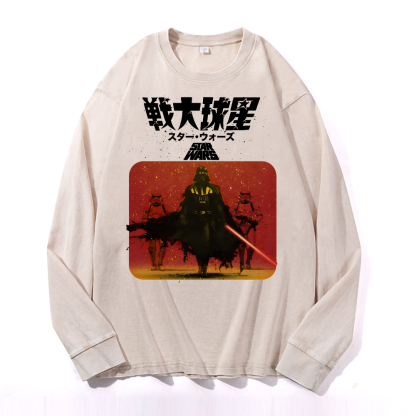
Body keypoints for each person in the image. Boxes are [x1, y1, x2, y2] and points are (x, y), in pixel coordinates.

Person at [232, 191, 263, 272]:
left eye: (247, 196)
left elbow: (260, 216)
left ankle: (248, 261)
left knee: (252, 246)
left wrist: (255, 221)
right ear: (240, 197)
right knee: (241, 247)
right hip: (240, 227)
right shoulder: (236, 205)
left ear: (249, 197)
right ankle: (242, 263)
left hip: (250, 226)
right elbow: (231, 216)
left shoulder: (253, 205)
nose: (245, 197)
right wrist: (236, 221)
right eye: (243, 196)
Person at [141, 193, 169, 271]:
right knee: (152, 247)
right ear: (151, 199)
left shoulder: (164, 208)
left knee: (163, 246)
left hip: (162, 229)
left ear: (161, 199)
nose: (156, 200)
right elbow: (143, 219)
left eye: (158, 198)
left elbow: (169, 218)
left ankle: (160, 264)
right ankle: (153, 264)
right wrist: (149, 223)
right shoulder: (148, 208)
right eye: (154, 198)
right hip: (152, 229)